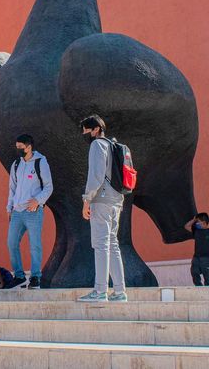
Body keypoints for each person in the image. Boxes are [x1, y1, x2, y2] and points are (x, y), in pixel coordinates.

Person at [77, 115, 128, 303]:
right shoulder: (113, 145)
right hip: (116, 201)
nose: (85, 134)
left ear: (96, 129)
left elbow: (96, 176)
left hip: (101, 201)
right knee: (112, 245)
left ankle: (100, 292)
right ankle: (120, 291)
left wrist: (86, 200)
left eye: (86, 130)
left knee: (101, 245)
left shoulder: (97, 145)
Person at [7, 134, 53, 290]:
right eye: (17, 147)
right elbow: (12, 188)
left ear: (29, 146)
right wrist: (9, 207)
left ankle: (35, 277)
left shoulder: (41, 162)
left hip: (33, 211)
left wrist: (38, 201)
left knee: (35, 245)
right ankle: (19, 276)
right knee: (11, 243)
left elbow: (48, 187)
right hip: (17, 212)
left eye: (21, 147)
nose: (18, 150)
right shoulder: (16, 165)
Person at [184, 213, 209, 286]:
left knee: (208, 279)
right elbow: (186, 226)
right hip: (196, 258)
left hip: (207, 259)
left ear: (204, 222)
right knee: (194, 273)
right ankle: (199, 288)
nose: (196, 223)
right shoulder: (195, 231)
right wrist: (194, 219)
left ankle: (207, 292)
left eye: (198, 222)